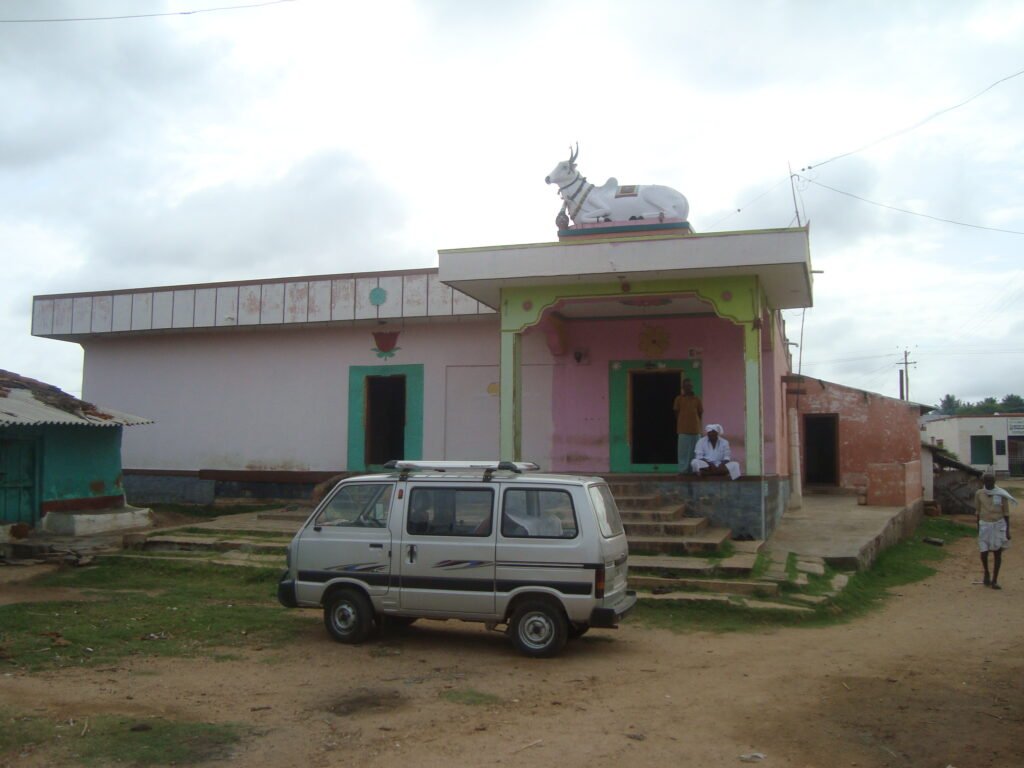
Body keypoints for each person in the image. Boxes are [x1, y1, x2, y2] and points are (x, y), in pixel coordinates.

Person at [975, 472, 1015, 589]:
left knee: (997, 553)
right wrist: (978, 528)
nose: (989, 484)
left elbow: (1006, 513)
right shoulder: (979, 494)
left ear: (994, 482)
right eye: (987, 481)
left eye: (991, 481)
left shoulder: (1001, 494)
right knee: (984, 552)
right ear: (983, 482)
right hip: (984, 525)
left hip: (998, 525)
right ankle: (986, 572)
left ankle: (995, 580)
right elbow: (977, 511)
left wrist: (1007, 531)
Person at [672, 378, 703, 474]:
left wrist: (694, 422)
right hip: (683, 430)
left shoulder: (697, 399)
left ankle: (694, 470)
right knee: (683, 452)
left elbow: (700, 413)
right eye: (685, 386)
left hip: (695, 430)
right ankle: (683, 470)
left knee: (695, 452)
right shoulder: (679, 399)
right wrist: (683, 421)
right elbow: (676, 412)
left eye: (689, 386)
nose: (687, 388)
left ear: (692, 387)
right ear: (682, 387)